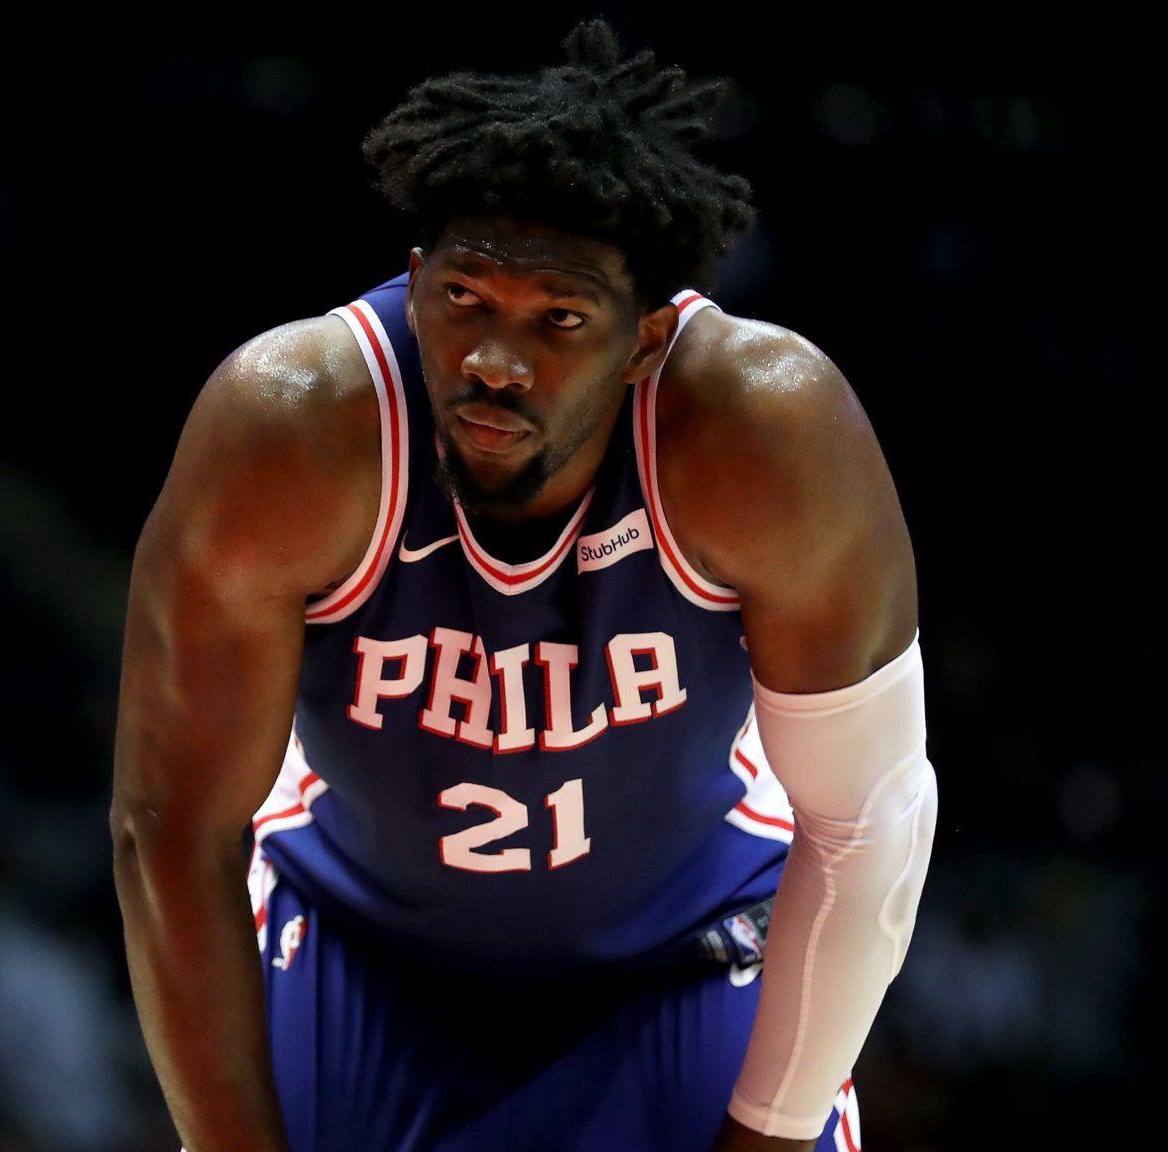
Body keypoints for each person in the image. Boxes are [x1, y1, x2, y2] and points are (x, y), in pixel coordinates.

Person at [112, 19, 937, 1152]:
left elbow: (865, 821)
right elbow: (171, 827)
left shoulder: (762, 435)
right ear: (415, 283)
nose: (495, 362)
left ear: (645, 340)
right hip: (360, 947)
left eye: (559, 318)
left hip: (684, 951)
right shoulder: (292, 431)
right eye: (464, 299)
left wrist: (771, 1136)